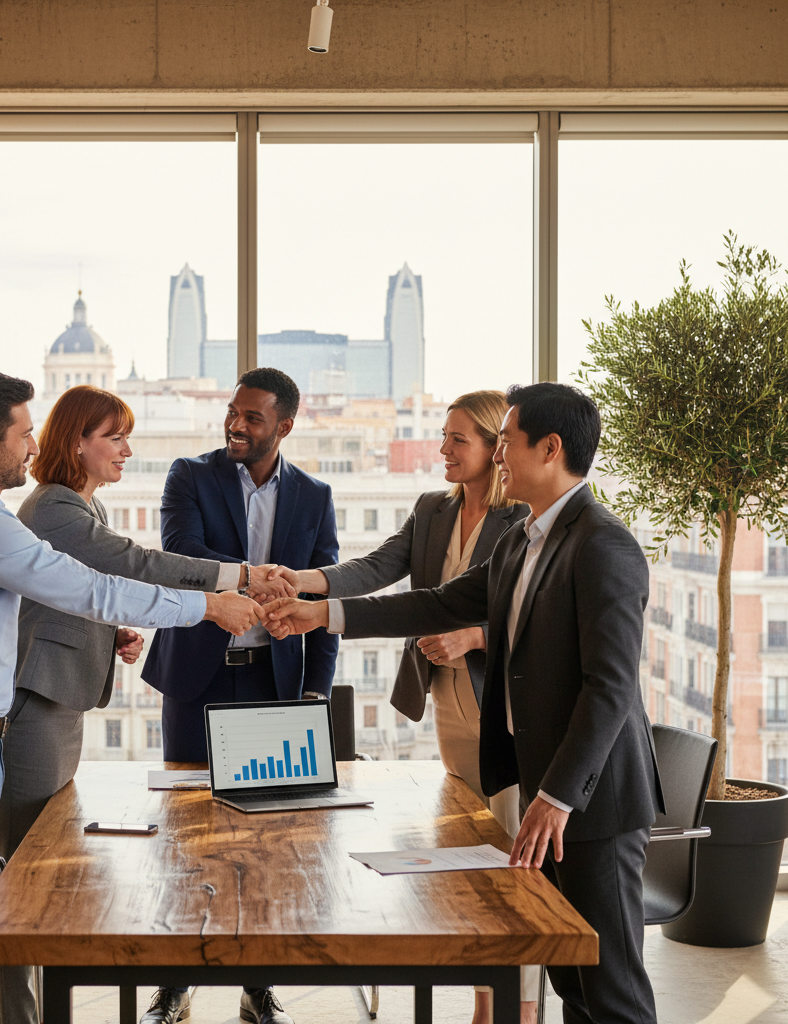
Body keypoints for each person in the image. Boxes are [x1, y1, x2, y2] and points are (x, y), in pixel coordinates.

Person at [265, 382, 665, 1024]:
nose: (500, 454)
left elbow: (610, 686)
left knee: (611, 988)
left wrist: (556, 797)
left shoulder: (603, 545)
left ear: (551, 448)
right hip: (546, 791)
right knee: (570, 981)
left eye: (506, 441)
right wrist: (322, 615)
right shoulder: (523, 541)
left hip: (596, 803)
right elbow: (432, 602)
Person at [0, 371, 263, 992]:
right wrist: (210, 606)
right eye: (24, 434)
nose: (34, 446)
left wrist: (111, 633)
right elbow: (90, 586)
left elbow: (20, 612)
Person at [0, 385, 293, 1024]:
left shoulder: (78, 507)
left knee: (40, 877)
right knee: (22, 883)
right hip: (35, 708)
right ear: (78, 442)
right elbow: (133, 565)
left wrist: (108, 635)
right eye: (115, 437)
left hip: (56, 705)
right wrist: (234, 580)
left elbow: (82, 596)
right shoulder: (56, 510)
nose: (128, 450)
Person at [266, 389, 536, 1024]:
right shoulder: (432, 510)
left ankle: (520, 1006)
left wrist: (472, 637)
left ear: (496, 446)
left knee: (511, 868)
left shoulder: (522, 520)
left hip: (504, 706)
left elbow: (535, 620)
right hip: (448, 703)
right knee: (469, 856)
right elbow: (375, 570)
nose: (443, 448)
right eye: (443, 436)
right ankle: (484, 999)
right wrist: (302, 581)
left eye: (457, 438)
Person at [140, 367, 339, 1024]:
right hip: (195, 678)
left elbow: (325, 598)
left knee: (264, 845)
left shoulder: (314, 495)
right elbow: (183, 555)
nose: (236, 425)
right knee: (185, 834)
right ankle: (174, 984)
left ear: (284, 425)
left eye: (253, 418)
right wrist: (257, 583)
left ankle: (257, 985)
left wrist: (315, 690)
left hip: (272, 684)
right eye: (233, 412)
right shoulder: (187, 477)